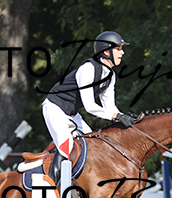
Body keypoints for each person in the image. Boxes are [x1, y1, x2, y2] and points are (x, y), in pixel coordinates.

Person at [42, 31, 135, 184]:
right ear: (106, 51)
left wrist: (125, 118)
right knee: (66, 146)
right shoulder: (88, 69)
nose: (122, 52)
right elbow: (90, 106)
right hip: (55, 108)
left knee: (93, 144)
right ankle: (50, 186)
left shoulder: (110, 75)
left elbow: (110, 107)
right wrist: (115, 116)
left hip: (72, 113)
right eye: (118, 49)